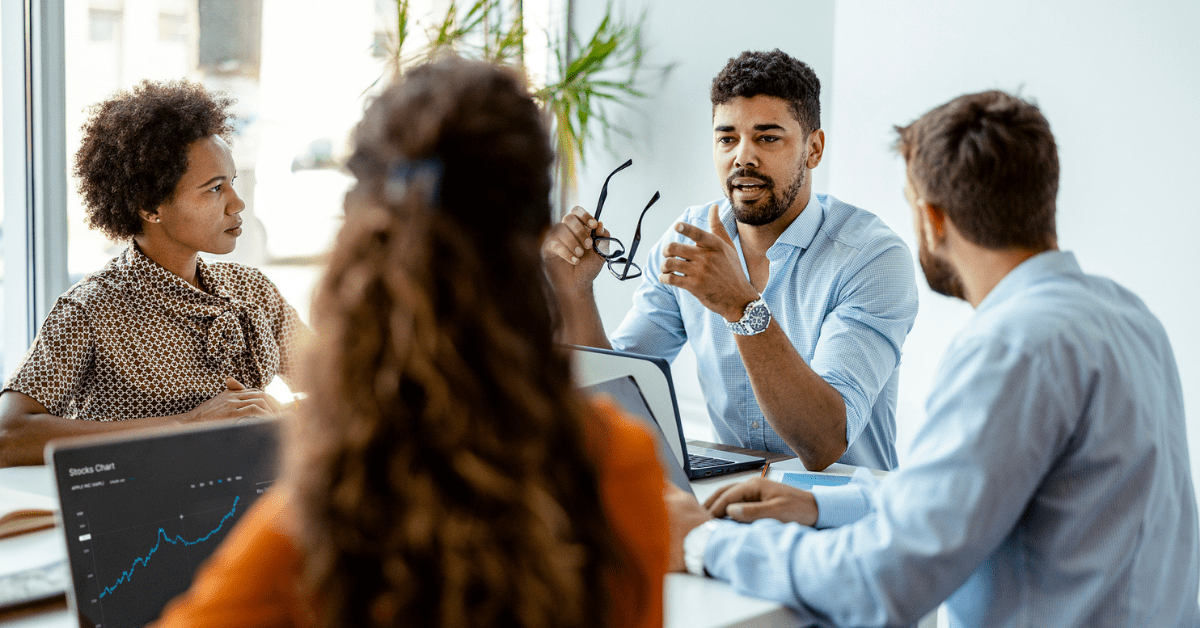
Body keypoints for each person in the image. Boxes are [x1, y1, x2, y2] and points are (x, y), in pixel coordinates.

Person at [151, 58, 669, 628]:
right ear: (536, 232)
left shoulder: (316, 524)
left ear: (361, 233)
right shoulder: (618, 463)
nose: (236, 205)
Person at [667, 90, 1200, 626]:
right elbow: (964, 493)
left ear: (933, 219)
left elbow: (884, 579)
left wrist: (705, 543)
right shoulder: (1128, 316)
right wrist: (819, 506)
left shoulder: (1014, 347)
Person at [543, 49, 918, 471]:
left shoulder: (871, 258)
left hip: (845, 516)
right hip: (733, 501)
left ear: (814, 149)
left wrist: (741, 307)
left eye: (767, 137)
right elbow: (620, 395)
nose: (742, 157)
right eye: (727, 138)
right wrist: (575, 292)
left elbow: (824, 442)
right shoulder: (686, 242)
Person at [0, 80, 305, 467]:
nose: (237, 203)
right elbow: (8, 436)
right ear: (150, 207)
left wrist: (282, 417)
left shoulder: (253, 290)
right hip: (147, 517)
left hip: (251, 502)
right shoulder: (91, 310)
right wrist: (186, 425)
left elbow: (344, 392)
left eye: (233, 182)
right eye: (214, 189)